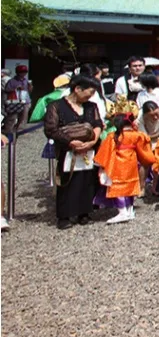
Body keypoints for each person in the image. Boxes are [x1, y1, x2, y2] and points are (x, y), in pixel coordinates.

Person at [42, 75, 104, 229]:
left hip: (89, 147)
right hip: (68, 148)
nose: (90, 96)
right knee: (67, 180)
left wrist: (93, 140)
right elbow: (51, 129)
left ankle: (85, 211)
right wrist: (70, 142)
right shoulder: (56, 106)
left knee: (88, 179)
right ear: (77, 89)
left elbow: (98, 124)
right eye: (88, 93)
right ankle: (64, 215)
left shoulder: (91, 106)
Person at [93, 98, 157, 224]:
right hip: (131, 163)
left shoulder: (113, 136)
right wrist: (148, 159)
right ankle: (129, 210)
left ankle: (122, 212)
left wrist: (100, 164)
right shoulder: (137, 135)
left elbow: (105, 152)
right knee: (130, 187)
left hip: (117, 165)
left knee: (118, 188)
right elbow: (144, 149)